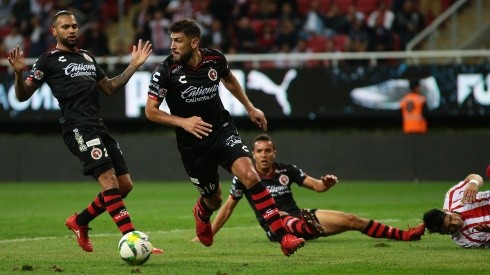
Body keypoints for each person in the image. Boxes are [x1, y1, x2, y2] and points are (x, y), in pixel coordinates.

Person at [145, 18, 305, 256]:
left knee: (250, 175)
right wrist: (183, 122)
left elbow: (229, 80)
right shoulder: (165, 70)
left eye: (178, 41)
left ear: (194, 42)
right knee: (214, 200)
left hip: (221, 129)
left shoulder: (215, 59)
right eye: (171, 40)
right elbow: (151, 111)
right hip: (193, 144)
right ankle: (201, 212)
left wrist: (250, 107)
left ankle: (284, 238)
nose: (172, 46)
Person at [7, 10, 161, 254]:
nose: (72, 30)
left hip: (98, 125)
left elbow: (110, 88)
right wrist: (18, 74)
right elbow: (22, 95)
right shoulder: (48, 59)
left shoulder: (87, 57)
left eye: (74, 26)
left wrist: (132, 66)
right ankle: (134, 240)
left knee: (124, 185)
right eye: (66, 27)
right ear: (54, 31)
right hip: (77, 127)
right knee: (109, 181)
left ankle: (79, 222)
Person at [201, 134, 425, 243]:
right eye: (259, 151)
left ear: (274, 153)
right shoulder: (245, 177)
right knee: (279, 214)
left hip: (301, 217)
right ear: (252, 154)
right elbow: (228, 207)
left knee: (351, 220)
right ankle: (300, 232)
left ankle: (404, 235)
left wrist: (325, 184)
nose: (263, 155)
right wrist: (208, 233)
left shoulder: (286, 171)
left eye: (267, 151)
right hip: (276, 225)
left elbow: (316, 186)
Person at [423, 173, 490, 248]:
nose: (456, 223)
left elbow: (475, 177)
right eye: (449, 228)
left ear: (445, 211)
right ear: (443, 233)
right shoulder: (466, 240)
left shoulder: (453, 196)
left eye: (451, 218)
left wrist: (474, 183)